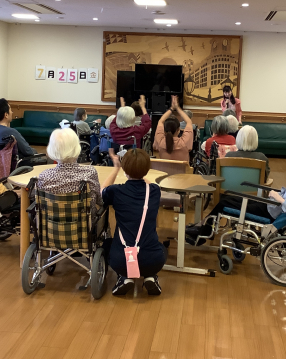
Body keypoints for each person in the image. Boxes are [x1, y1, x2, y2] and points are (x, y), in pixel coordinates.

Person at [186, 153, 286, 241]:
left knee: (224, 204)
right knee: (227, 199)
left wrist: (275, 195)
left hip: (269, 211)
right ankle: (202, 227)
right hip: (269, 206)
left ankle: (202, 231)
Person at [100, 148, 166, 296]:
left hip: (121, 260)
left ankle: (124, 277)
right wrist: (140, 172)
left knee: (107, 244)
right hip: (153, 260)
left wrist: (116, 168)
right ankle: (150, 276)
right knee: (162, 247)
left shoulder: (116, 191)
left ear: (125, 169)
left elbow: (102, 191)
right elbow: (148, 184)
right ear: (147, 169)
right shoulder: (154, 191)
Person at [37, 128, 103, 220]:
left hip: (51, 227)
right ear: (77, 147)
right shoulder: (90, 173)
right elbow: (99, 201)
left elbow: (35, 198)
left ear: (52, 149)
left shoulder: (44, 176)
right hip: (85, 225)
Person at [153, 95, 193, 161]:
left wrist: (171, 108)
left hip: (164, 168)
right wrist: (177, 108)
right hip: (182, 168)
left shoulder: (160, 141)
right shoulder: (184, 142)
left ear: (164, 130)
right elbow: (189, 122)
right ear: (178, 130)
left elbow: (160, 121)